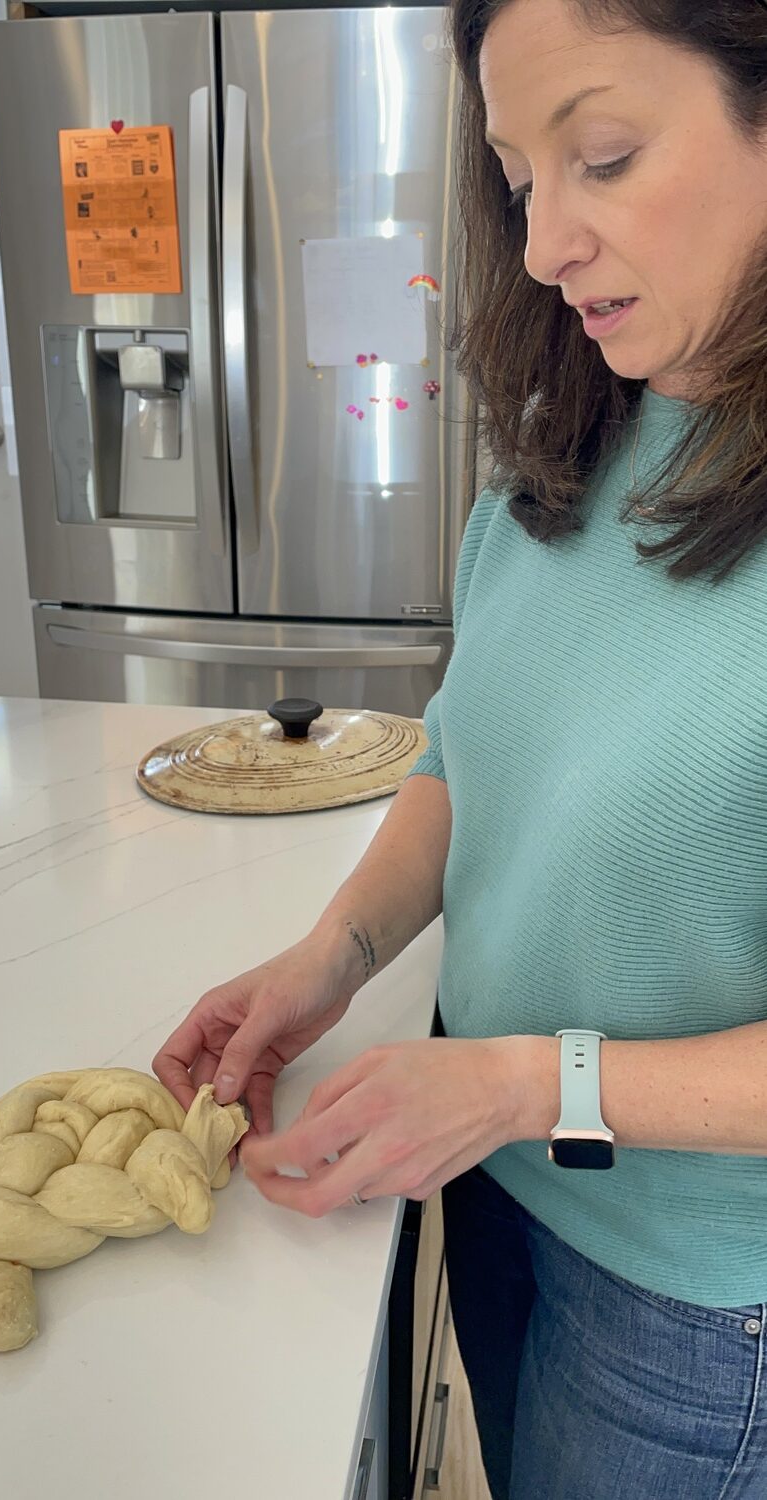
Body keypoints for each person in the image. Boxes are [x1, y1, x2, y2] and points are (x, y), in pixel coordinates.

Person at [154, 2, 767, 1494]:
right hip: (492, 1188)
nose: (547, 240)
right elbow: (468, 751)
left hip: (696, 1305)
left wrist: (518, 1084)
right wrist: (334, 954)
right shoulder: (574, 441)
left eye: (604, 156)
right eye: (515, 175)